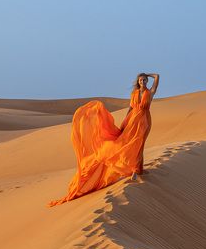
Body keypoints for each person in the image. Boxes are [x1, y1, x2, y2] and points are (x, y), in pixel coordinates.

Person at [47, 72, 159, 207]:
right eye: (141, 80)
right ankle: (138, 168)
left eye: (145, 80)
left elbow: (157, 76)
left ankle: (136, 170)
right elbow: (130, 109)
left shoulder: (150, 92)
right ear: (138, 81)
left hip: (144, 121)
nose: (143, 82)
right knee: (128, 144)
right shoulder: (134, 94)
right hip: (131, 121)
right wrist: (124, 123)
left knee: (139, 143)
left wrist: (148, 73)